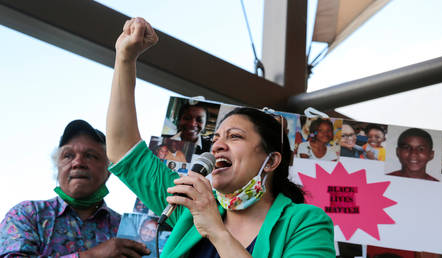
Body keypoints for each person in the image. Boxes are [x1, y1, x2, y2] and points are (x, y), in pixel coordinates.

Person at [106, 17, 335, 257]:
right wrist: (125, 58)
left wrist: (215, 229)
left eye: (234, 137)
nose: (217, 147)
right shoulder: (190, 209)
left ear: (272, 160)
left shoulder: (305, 223)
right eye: (215, 139)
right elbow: (124, 152)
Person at [0, 120, 150, 257]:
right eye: (68, 156)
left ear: (109, 169)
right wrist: (92, 256)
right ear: (57, 166)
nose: (78, 162)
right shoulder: (28, 214)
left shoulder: (125, 230)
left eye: (90, 156)